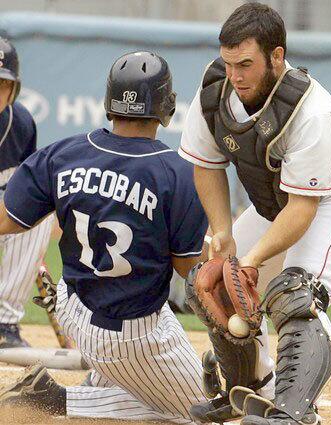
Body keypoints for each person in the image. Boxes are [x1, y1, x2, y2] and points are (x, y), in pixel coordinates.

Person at [178, 3, 331, 425]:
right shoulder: (217, 90)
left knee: (295, 294)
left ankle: (294, 412)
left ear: (277, 56)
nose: (236, 75)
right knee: (213, 282)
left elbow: (303, 209)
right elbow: (206, 165)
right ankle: (250, 388)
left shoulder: (312, 112)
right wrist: (223, 236)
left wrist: (251, 262)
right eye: (229, 62)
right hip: (275, 204)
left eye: (247, 64)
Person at [0, 51, 210, 423]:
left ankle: (106, 380)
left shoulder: (62, 154)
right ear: (167, 106)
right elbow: (186, 267)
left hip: (72, 304)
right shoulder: (179, 174)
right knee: (208, 411)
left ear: (109, 102)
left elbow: (7, 220)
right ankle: (55, 400)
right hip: (130, 337)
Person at [0, 37, 54, 348]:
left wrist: (27, 227)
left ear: (13, 90)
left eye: (0, 83)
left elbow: (25, 191)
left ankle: (4, 323)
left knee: (39, 212)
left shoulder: (20, 123)